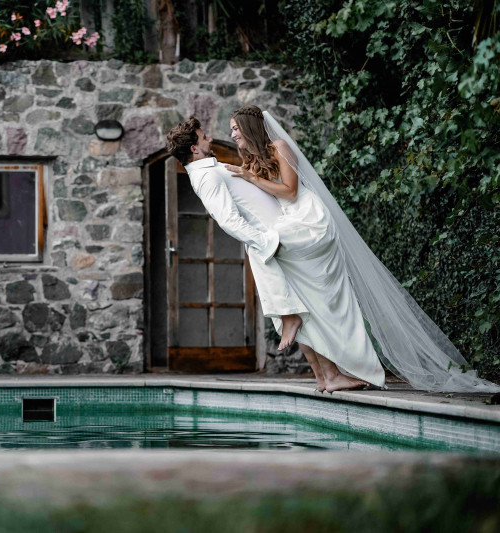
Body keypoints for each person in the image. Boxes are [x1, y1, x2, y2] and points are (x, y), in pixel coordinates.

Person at [222, 105, 500, 394]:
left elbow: (290, 192)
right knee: (299, 289)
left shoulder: (279, 147)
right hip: (289, 222)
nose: (232, 134)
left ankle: (298, 325)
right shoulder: (252, 161)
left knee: (260, 246)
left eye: (235, 128)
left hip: (309, 220)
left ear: (249, 127)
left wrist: (252, 179)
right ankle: (326, 369)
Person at [166, 116, 382, 392]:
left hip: (284, 230)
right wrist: (267, 243)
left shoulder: (212, 168)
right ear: (194, 148)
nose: (210, 137)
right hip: (277, 237)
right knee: (303, 301)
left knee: (302, 303)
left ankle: (325, 375)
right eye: (203, 136)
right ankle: (325, 371)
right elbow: (228, 220)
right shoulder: (206, 176)